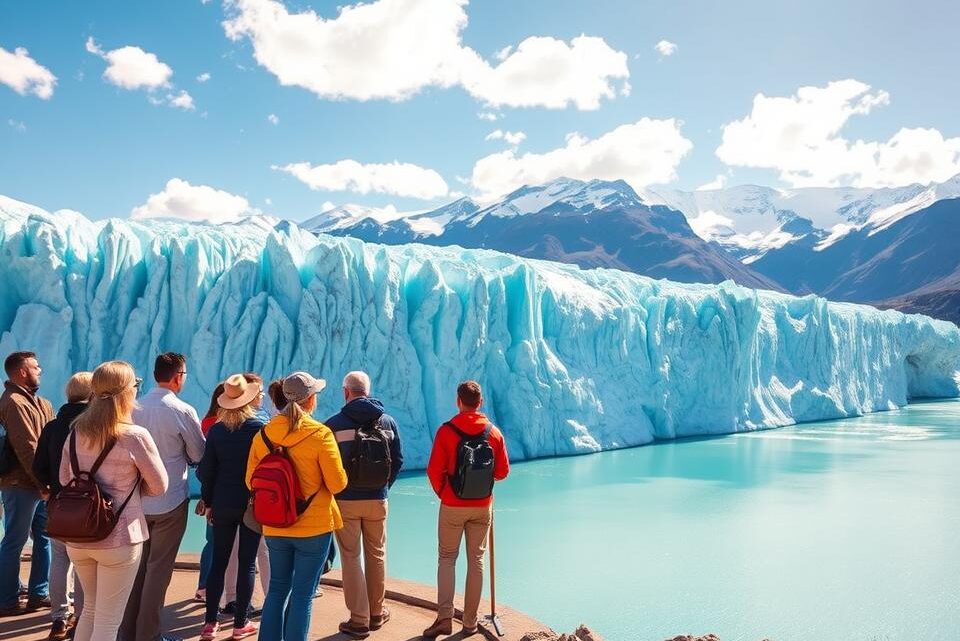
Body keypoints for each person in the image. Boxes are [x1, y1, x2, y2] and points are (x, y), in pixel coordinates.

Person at [59, 360, 168, 641]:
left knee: (91, 611)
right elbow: (159, 486)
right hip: (119, 537)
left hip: (78, 537)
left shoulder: (76, 432)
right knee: (109, 621)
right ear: (126, 392)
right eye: (135, 385)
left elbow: (63, 480)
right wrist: (127, 492)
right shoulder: (134, 436)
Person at [245, 372, 347, 641]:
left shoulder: (264, 435)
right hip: (314, 528)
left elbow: (250, 481)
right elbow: (338, 484)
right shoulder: (321, 435)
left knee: (277, 590)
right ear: (310, 400)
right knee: (302, 595)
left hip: (276, 526)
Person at [119, 353, 205, 641]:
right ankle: (149, 636)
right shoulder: (182, 410)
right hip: (170, 501)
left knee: (135, 569)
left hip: (135, 501)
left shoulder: (133, 408)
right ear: (178, 376)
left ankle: (126, 633)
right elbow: (198, 454)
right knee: (158, 572)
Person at [423, 381, 510, 638]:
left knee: (447, 559)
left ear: (458, 401)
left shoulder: (446, 431)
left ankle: (444, 619)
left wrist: (446, 493)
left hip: (452, 504)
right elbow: (503, 472)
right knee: (477, 561)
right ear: (480, 402)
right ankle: (470, 623)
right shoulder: (494, 433)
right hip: (483, 506)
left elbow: (433, 470)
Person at [326, 371, 403, 639]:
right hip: (377, 500)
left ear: (346, 392)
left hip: (346, 501)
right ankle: (376, 612)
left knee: (350, 557)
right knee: (377, 554)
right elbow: (398, 461)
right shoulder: (388, 423)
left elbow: (327, 466)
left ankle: (358, 619)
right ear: (367, 392)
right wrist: (382, 488)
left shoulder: (333, 425)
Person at [197, 375, 265, 640]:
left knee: (219, 562)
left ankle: (209, 623)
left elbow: (207, 470)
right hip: (251, 502)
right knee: (247, 563)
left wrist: (209, 501)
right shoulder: (260, 427)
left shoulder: (216, 430)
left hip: (222, 503)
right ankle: (240, 624)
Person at [33, 371, 93, 639]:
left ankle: (58, 620)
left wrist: (50, 490)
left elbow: (39, 467)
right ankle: (81, 618)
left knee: (59, 560)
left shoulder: (52, 427)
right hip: (86, 505)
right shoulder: (91, 425)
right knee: (84, 560)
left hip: (57, 504)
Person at [0, 351, 55, 617]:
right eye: (36, 366)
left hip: (36, 484)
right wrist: (44, 482)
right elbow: (27, 447)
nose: (40, 370)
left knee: (44, 538)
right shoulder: (13, 402)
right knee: (15, 540)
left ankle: (39, 593)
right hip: (20, 484)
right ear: (22, 371)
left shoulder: (37, 401)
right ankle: (7, 600)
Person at [196, 382, 226, 603]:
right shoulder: (223, 426)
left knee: (211, 541)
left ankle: (204, 586)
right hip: (224, 490)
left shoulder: (206, 422)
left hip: (211, 489)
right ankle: (218, 589)